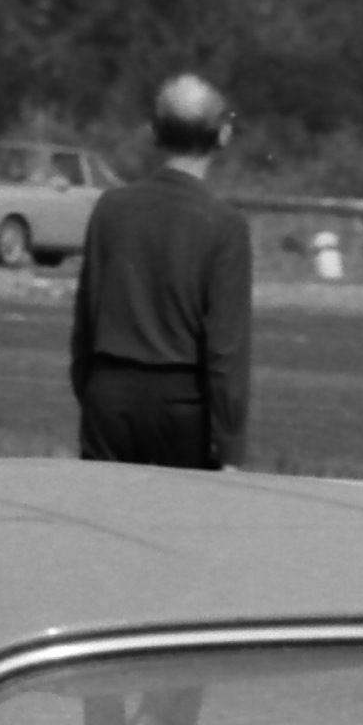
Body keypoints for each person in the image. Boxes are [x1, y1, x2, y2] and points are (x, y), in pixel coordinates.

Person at [69, 72, 252, 472]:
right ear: (222, 135)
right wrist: (230, 443)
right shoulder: (225, 225)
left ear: (154, 131)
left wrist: (91, 392)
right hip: (182, 402)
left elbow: (85, 321)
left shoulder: (110, 208)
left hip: (109, 392)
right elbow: (225, 349)